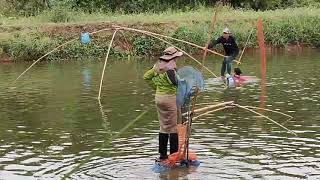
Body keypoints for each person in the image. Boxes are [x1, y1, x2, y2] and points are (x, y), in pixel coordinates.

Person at [143, 47, 183, 161]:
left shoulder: (157, 66)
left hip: (159, 99)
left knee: (163, 127)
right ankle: (174, 156)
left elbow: (146, 77)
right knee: (173, 128)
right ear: (174, 57)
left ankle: (162, 155)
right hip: (169, 99)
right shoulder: (170, 69)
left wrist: (157, 88)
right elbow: (177, 84)